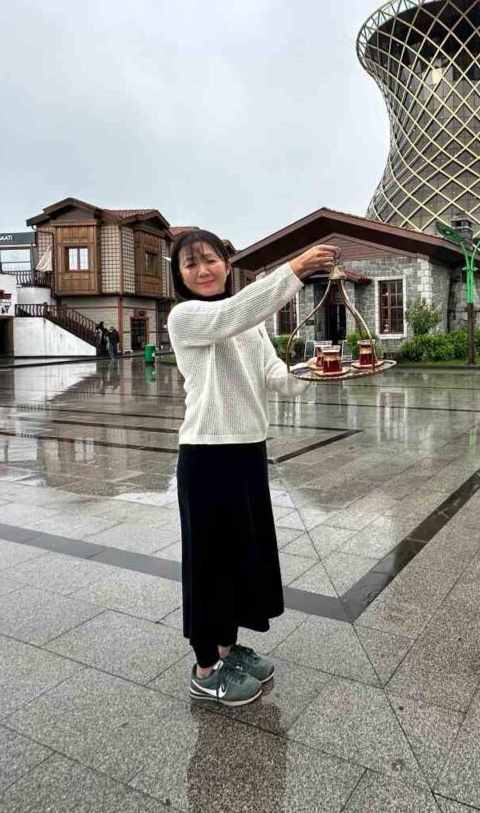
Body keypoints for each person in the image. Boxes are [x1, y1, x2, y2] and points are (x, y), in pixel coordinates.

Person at [167, 230, 338, 707]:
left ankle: (227, 648)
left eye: (210, 260)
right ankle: (205, 668)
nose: (203, 270)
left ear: (227, 263)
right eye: (190, 264)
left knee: (241, 556)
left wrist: (313, 373)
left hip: (247, 450)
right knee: (208, 562)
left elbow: (272, 374)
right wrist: (294, 270)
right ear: (179, 276)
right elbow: (231, 315)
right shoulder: (186, 317)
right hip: (205, 455)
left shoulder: (250, 322)